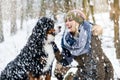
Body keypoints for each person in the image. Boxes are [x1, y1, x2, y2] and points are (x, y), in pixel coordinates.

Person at [54, 9, 113, 80]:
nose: (67, 23)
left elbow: (98, 66)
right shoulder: (67, 39)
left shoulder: (90, 35)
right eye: (66, 21)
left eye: (70, 20)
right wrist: (55, 50)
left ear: (78, 22)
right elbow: (66, 60)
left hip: (103, 72)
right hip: (84, 71)